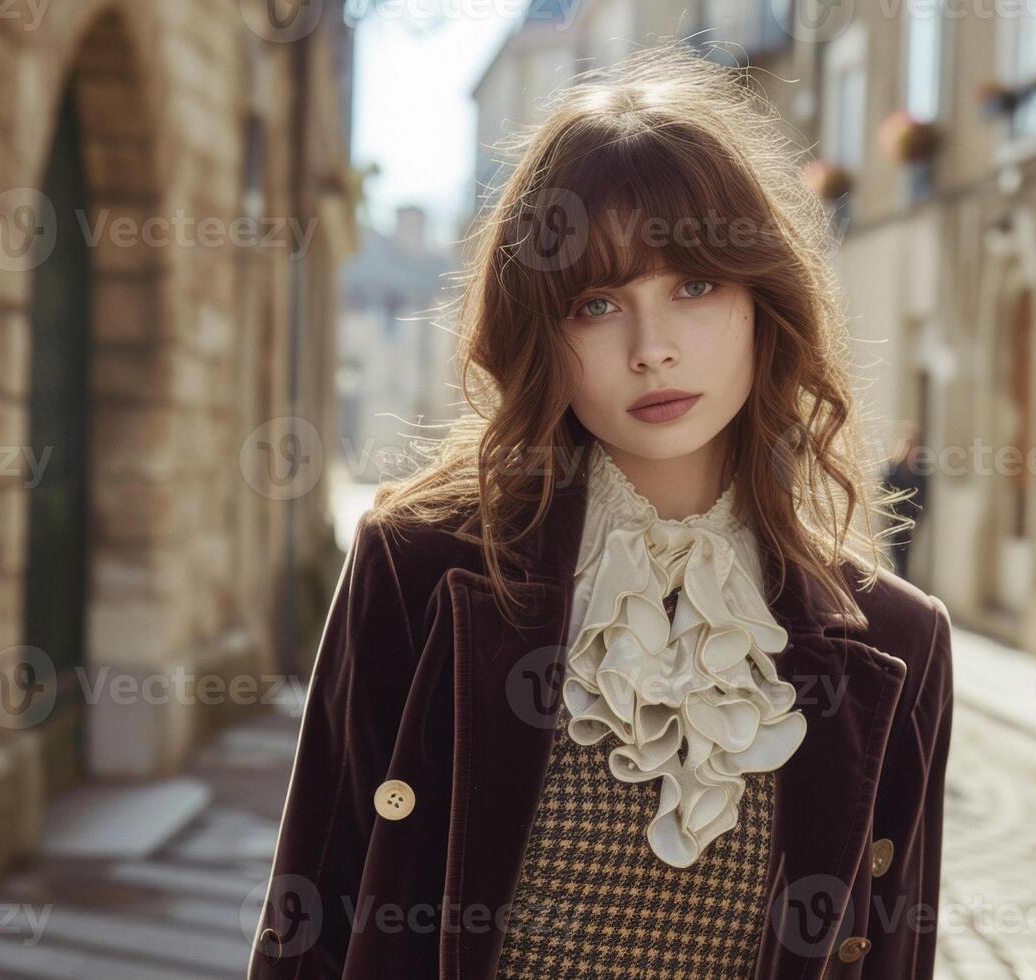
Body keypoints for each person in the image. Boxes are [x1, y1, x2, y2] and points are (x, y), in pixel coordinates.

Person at [249, 44, 954, 980]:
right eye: (595, 302)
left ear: (761, 303)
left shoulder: (897, 644)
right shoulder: (418, 570)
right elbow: (311, 926)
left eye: (693, 286)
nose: (651, 348)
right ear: (541, 332)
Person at [881, 424, 930, 581]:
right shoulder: (893, 468)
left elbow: (923, 497)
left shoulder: (920, 470)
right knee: (893, 556)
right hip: (894, 520)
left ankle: (903, 584)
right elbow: (884, 491)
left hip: (910, 521)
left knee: (904, 558)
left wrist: (917, 518)